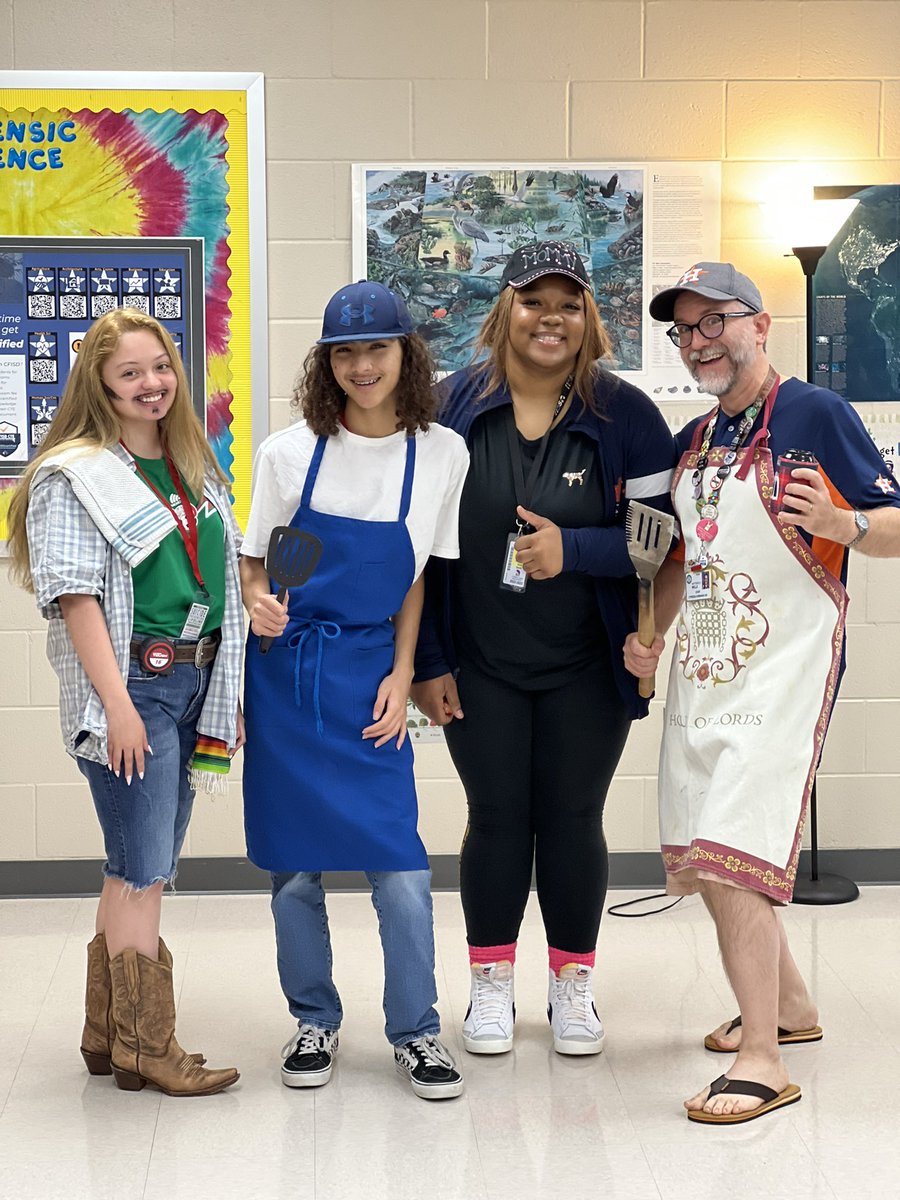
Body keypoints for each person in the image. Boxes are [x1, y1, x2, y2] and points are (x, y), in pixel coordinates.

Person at [626, 261, 900, 1124]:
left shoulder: (815, 414)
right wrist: (652, 632)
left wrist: (846, 524)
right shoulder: (695, 440)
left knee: (734, 854)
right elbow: (678, 559)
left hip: (784, 673)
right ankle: (790, 1005)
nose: (700, 340)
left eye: (716, 322)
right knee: (706, 856)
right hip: (707, 672)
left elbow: (894, 521)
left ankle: (762, 1058)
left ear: (760, 324)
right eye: (685, 328)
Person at [410, 240, 677, 1056]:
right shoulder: (450, 406)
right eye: (533, 301)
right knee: (494, 819)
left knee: (570, 819)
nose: (550, 318)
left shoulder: (624, 415)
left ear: (588, 315)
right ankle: (489, 987)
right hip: (478, 665)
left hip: (588, 667)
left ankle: (572, 987)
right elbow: (414, 547)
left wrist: (579, 552)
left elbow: (658, 543)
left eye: (568, 303)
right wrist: (426, 663)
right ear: (505, 309)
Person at [240, 281, 469, 1100]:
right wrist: (258, 601)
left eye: (376, 348)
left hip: (371, 671)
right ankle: (314, 1019)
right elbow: (258, 559)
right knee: (294, 870)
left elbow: (413, 581)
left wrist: (404, 674)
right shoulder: (288, 453)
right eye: (344, 351)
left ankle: (416, 1030)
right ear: (326, 362)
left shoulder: (442, 453)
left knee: (400, 868)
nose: (361, 365)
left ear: (406, 353)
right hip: (287, 675)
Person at [7, 307, 244, 1096]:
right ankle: (151, 1047)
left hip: (191, 678)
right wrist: (117, 706)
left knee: (131, 865)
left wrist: (225, 685)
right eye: (131, 373)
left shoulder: (190, 468)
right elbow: (75, 599)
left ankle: (107, 1035)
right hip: (132, 686)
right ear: (101, 385)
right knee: (146, 869)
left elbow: (218, 583)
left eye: (161, 368)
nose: (152, 385)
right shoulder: (76, 473)